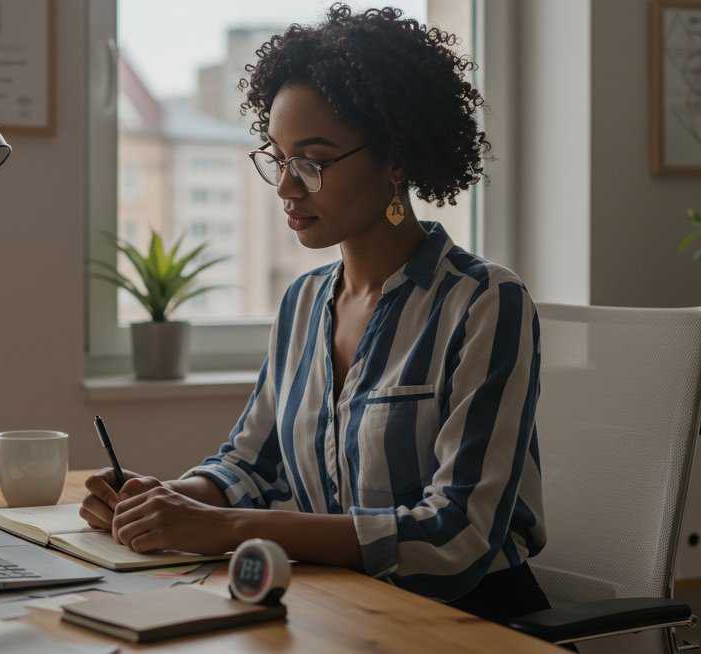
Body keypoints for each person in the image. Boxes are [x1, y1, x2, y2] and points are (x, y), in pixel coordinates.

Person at [82, 4, 549, 624]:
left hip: (471, 623)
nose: (286, 187)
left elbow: (456, 537)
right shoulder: (303, 302)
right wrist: (166, 500)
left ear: (397, 160)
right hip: (336, 609)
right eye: (277, 157)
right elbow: (251, 463)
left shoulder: (484, 301)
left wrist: (223, 527)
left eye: (313, 161)